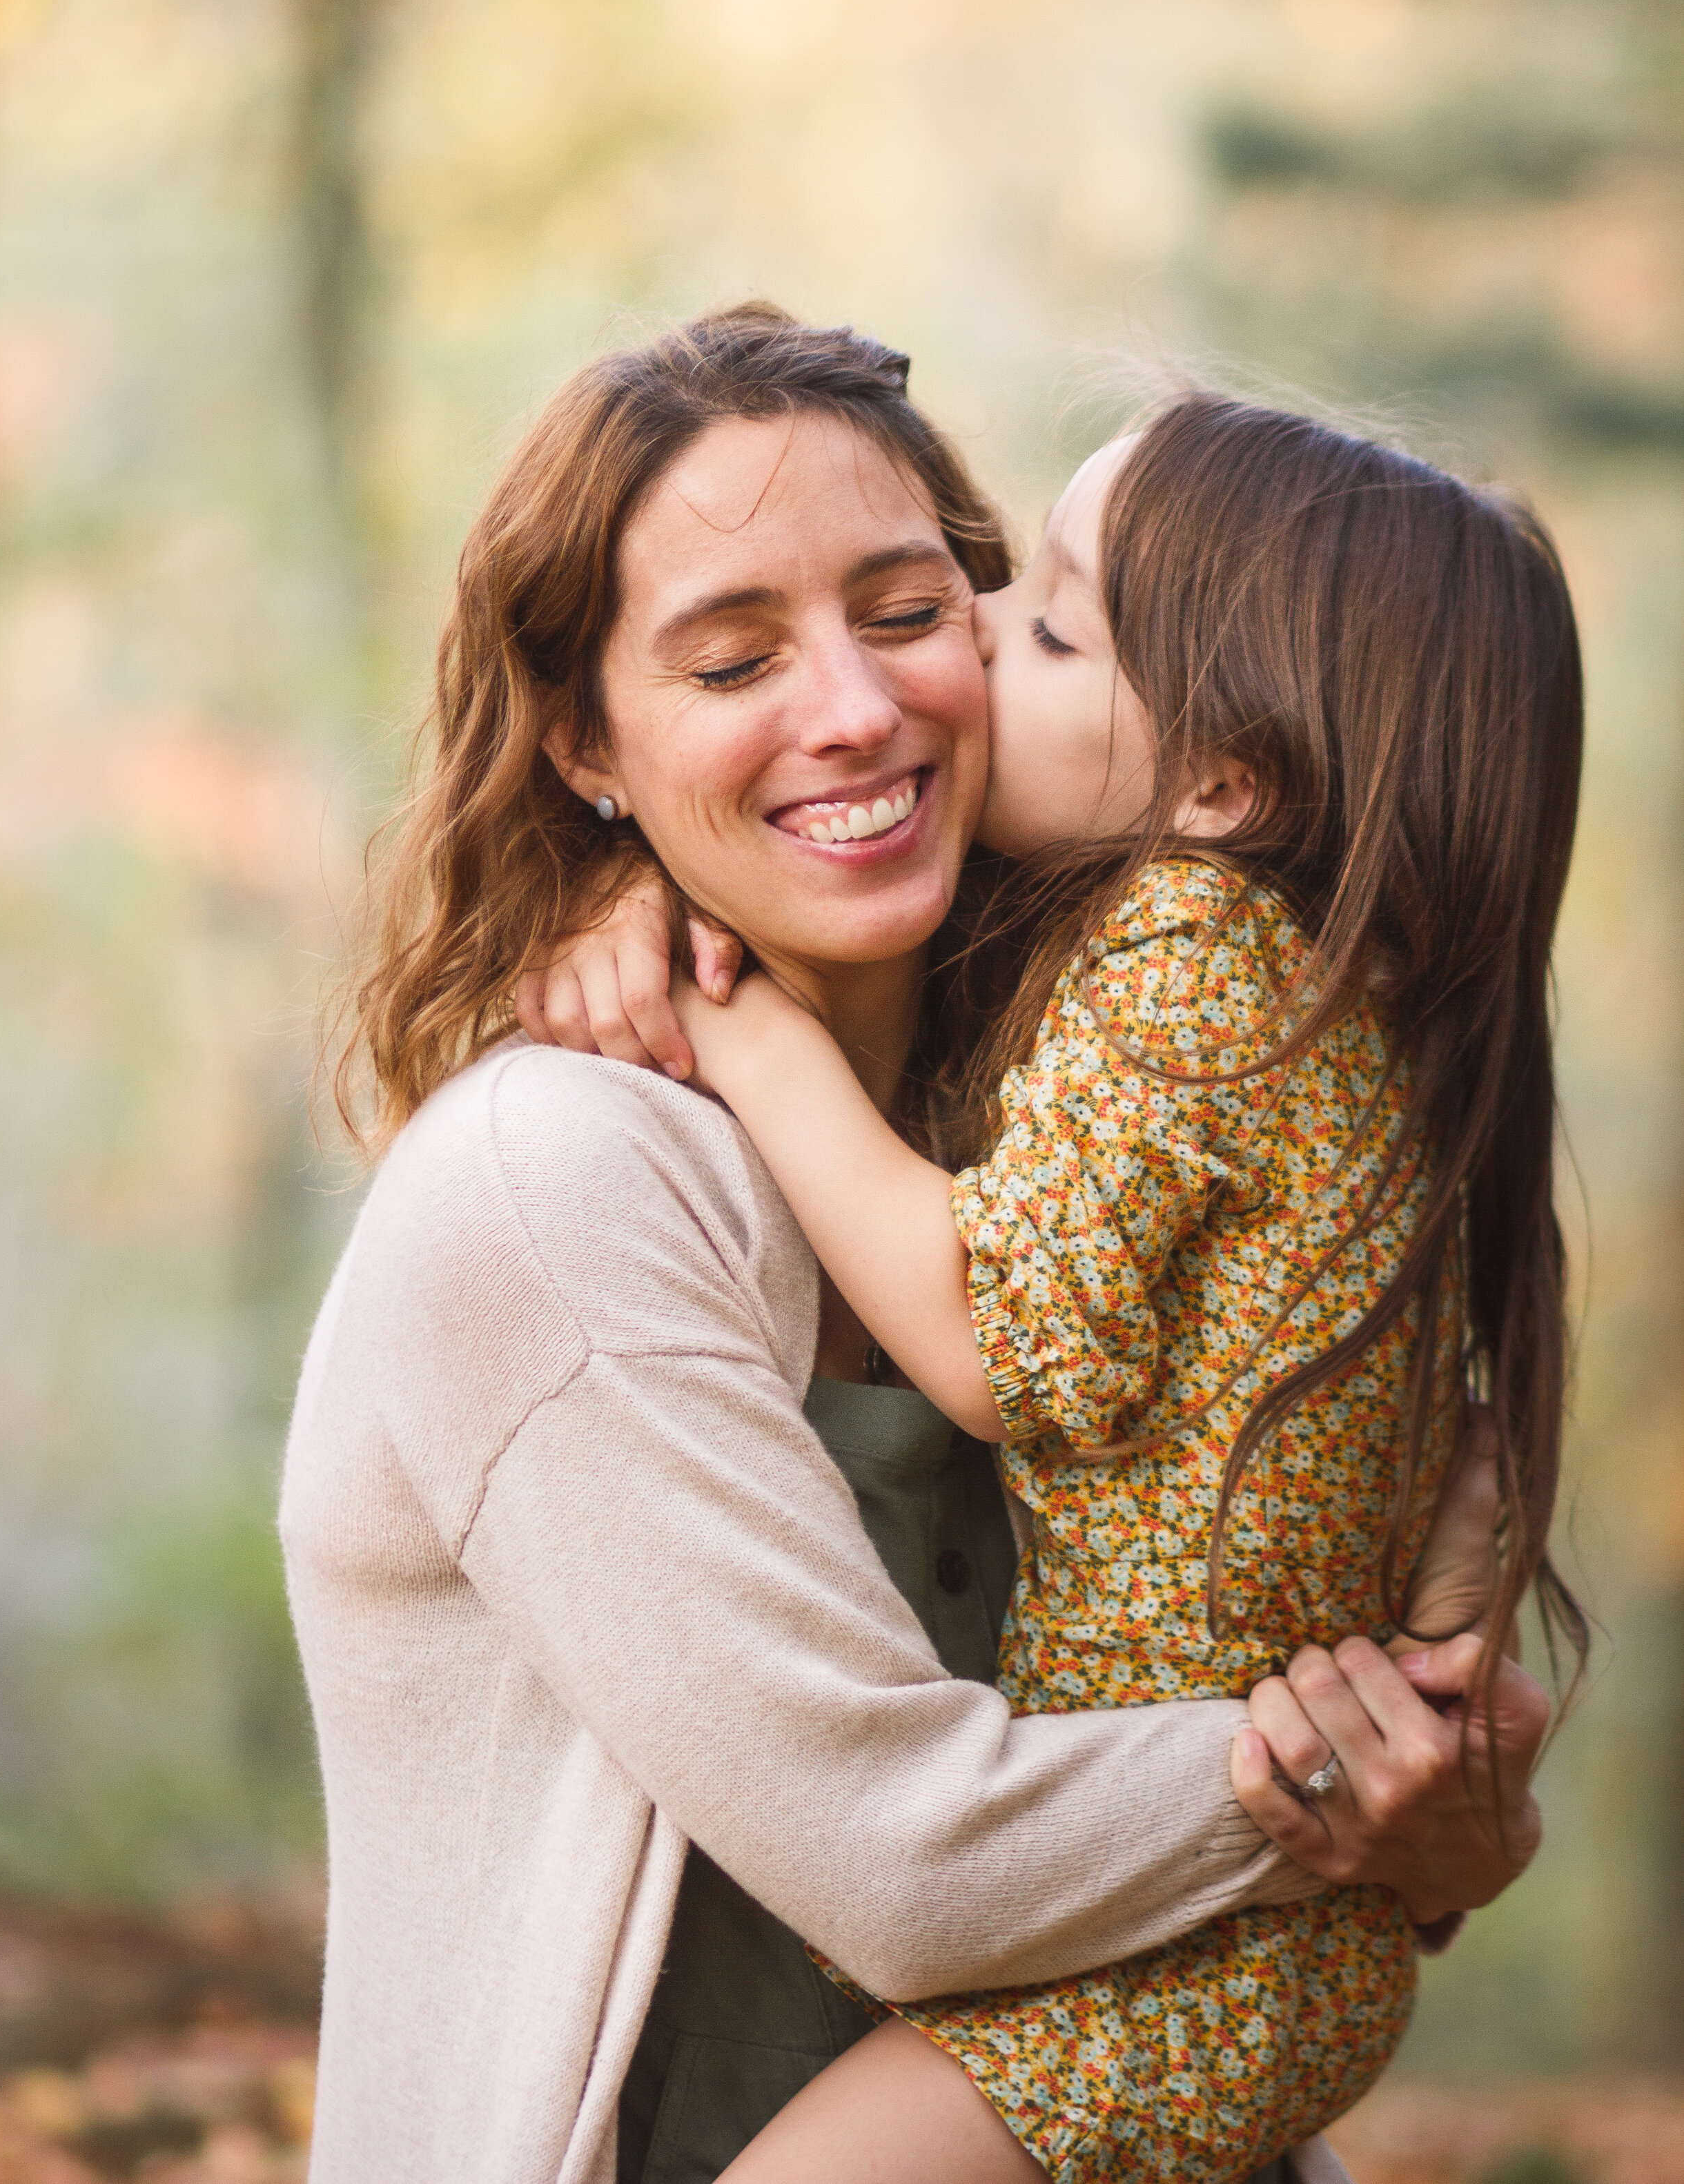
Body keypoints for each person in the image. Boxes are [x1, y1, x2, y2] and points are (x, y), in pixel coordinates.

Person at [286, 306, 1549, 2184]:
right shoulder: (550, 1187)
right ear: (584, 746)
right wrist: (1344, 1796)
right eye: (730, 660)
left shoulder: (1106, 1096)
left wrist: (1454, 1816)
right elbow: (904, 1860)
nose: (856, 710)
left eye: (905, 613)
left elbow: (1326, 1641)